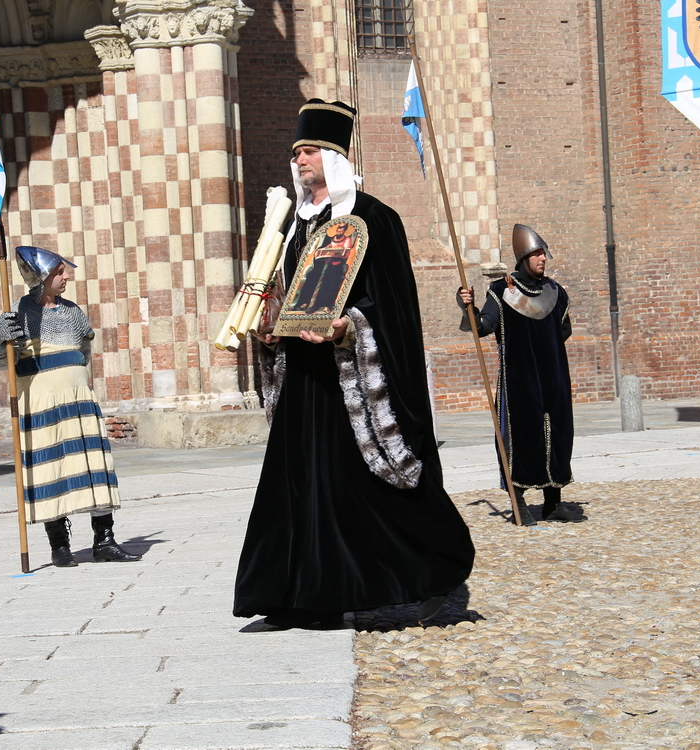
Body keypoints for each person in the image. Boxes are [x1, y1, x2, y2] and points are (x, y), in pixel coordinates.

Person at [232, 99, 475, 628]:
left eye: (311, 150)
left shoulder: (374, 219)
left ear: (336, 156)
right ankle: (297, 597)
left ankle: (438, 570)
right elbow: (287, 294)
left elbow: (391, 306)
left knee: (374, 481)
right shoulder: (295, 229)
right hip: (302, 379)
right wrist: (270, 324)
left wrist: (349, 327)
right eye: (296, 151)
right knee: (297, 487)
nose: (300, 159)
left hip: (353, 382)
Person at [0, 246, 140, 567]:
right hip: (41, 404)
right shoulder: (18, 313)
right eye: (59, 272)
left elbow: (84, 352)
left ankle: (105, 541)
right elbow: (3, 363)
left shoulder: (73, 312)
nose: (67, 276)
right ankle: (59, 547)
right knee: (51, 468)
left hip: (78, 402)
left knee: (93, 467)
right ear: (40, 277)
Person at [457, 225, 577, 524]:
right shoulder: (501, 291)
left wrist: (544, 350)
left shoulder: (556, 292)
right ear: (523, 258)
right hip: (519, 378)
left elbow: (564, 329)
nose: (542, 259)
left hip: (554, 376)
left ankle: (553, 502)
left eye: (543, 254)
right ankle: (519, 503)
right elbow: (483, 326)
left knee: (557, 434)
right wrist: (467, 307)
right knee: (522, 436)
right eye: (536, 254)